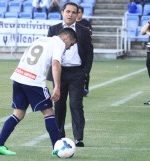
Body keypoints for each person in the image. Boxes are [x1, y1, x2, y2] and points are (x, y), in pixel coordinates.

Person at [0, 28, 77, 156]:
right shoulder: (59, 43)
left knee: (18, 113)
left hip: (19, 76)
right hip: (33, 81)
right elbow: (55, 64)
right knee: (49, 112)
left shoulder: (41, 40)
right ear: (66, 38)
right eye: (71, 44)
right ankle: (57, 148)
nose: (69, 47)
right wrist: (57, 86)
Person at [46, 2, 94, 147]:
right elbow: (48, 51)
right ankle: (59, 135)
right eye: (68, 11)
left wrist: (84, 72)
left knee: (76, 105)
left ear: (77, 14)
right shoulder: (53, 29)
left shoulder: (84, 31)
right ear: (62, 12)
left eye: (74, 12)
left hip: (77, 73)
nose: (70, 14)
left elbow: (89, 52)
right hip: (58, 72)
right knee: (59, 105)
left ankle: (78, 137)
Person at [76, 5, 93, 96]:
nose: (77, 14)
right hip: (75, 49)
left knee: (86, 70)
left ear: (82, 13)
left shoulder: (86, 23)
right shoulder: (73, 23)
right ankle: (78, 88)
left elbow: (90, 34)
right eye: (76, 12)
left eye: (79, 12)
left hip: (84, 49)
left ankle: (85, 87)